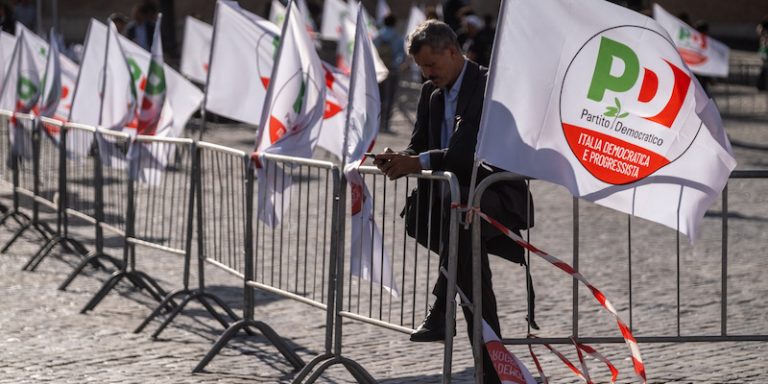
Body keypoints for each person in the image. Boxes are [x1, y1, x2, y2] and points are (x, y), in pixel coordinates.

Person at [373, 20, 534, 384]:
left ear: (452, 51)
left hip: (490, 195)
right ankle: (491, 374)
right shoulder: (431, 91)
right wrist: (397, 157)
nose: (427, 74)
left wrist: (418, 162)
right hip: (446, 204)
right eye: (421, 68)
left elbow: (465, 152)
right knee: (471, 278)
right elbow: (419, 143)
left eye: (432, 65)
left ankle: (441, 309)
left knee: (464, 245)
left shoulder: (485, 84)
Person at [373, 13, 405, 132]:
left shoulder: (377, 36)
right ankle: (385, 124)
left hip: (378, 71)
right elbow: (401, 56)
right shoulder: (398, 37)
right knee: (389, 98)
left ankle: (375, 124)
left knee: (377, 97)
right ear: (394, 23)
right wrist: (395, 66)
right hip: (392, 71)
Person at [758, 16, 768, 91]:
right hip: (765, 51)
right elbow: (759, 29)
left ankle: (761, 85)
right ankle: (761, 85)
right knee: (764, 68)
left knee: (764, 68)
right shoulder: (765, 24)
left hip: (764, 50)